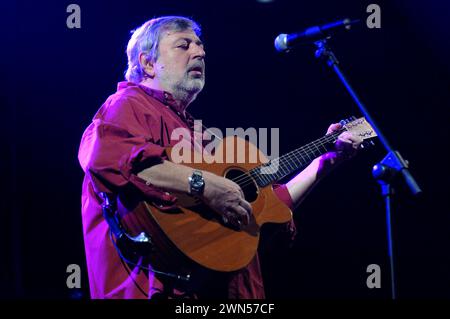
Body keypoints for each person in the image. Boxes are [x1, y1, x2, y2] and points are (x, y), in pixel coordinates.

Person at [78, 16, 362, 299]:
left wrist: (325, 162)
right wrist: (206, 185)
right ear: (148, 63)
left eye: (200, 46)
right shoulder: (127, 104)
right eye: (183, 45)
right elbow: (106, 156)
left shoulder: (198, 135)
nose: (199, 52)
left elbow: (269, 208)